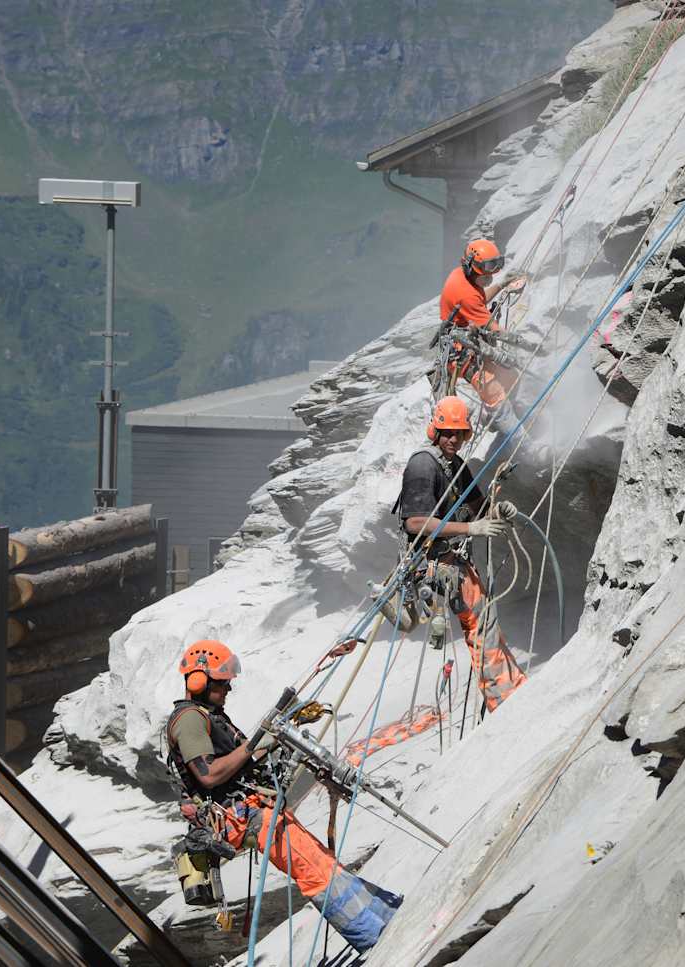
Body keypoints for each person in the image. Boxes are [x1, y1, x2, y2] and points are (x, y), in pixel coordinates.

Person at [164, 640, 400, 952]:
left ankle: (385, 913)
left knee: (319, 860)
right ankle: (371, 936)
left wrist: (284, 727)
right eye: (221, 684)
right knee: (313, 869)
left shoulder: (210, 714)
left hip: (252, 809)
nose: (228, 689)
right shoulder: (190, 719)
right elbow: (209, 774)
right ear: (199, 682)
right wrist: (253, 746)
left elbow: (243, 759)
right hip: (239, 815)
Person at [397, 395, 527, 713]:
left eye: (459, 433)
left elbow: (479, 508)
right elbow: (415, 522)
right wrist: (471, 529)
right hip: (430, 563)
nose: (454, 439)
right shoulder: (423, 465)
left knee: (484, 621)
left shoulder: (455, 466)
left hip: (450, 560)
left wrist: (499, 511)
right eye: (448, 433)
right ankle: (503, 697)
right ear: (436, 432)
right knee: (480, 622)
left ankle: (507, 687)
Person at [438, 238, 529, 417]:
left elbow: (478, 300)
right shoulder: (465, 292)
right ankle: (515, 431)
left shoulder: (464, 277)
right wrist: (526, 345)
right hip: (462, 355)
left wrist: (501, 285)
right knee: (495, 394)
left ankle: (523, 415)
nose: (490, 277)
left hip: (471, 344)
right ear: (472, 268)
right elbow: (495, 329)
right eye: (486, 275)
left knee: (510, 378)